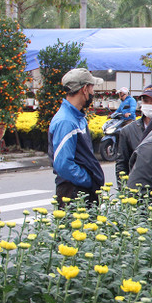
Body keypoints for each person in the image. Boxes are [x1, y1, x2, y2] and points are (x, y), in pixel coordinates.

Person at [48, 68, 105, 207]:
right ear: (84, 89)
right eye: (92, 88)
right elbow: (63, 165)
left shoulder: (78, 118)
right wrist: (88, 181)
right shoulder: (66, 121)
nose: (93, 93)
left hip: (79, 190)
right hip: (73, 192)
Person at [115, 83, 152, 180]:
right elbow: (122, 164)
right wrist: (123, 187)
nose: (149, 105)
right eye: (146, 101)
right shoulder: (128, 131)